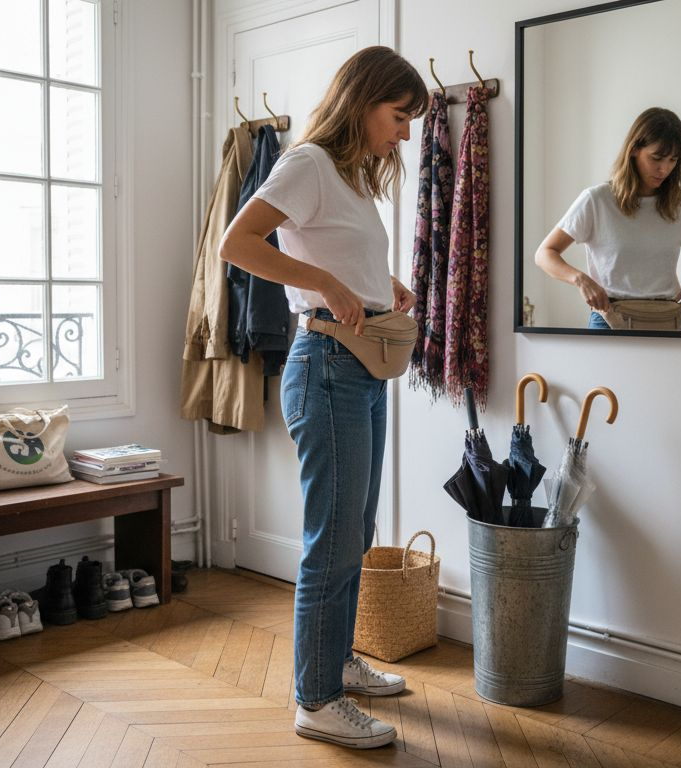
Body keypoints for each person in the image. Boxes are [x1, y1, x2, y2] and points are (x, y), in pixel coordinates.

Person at [219, 46, 426, 750]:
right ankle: (316, 700)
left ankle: (335, 663)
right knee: (332, 543)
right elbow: (236, 242)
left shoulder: (349, 176)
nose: (404, 133)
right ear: (363, 100)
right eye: (399, 117)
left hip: (361, 367)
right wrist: (328, 286)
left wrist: (379, 283)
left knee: (355, 534)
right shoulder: (306, 162)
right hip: (328, 365)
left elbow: (336, 251)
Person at [534, 107, 681, 330]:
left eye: (673, 160)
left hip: (665, 320)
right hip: (609, 319)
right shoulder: (597, 200)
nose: (664, 169)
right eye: (656, 158)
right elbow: (544, 254)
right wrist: (581, 280)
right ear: (635, 149)